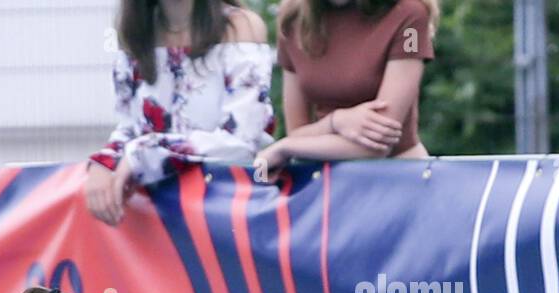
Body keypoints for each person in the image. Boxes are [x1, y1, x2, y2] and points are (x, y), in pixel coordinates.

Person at [86, 0, 274, 225]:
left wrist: (144, 154)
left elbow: (242, 141)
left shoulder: (239, 27)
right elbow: (129, 125)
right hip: (157, 212)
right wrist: (103, 164)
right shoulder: (137, 33)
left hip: (226, 207)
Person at [255, 0, 437, 176]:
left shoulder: (411, 17)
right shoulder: (293, 17)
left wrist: (286, 148)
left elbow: (377, 143)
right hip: (324, 184)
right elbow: (297, 132)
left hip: (398, 177)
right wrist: (336, 122)